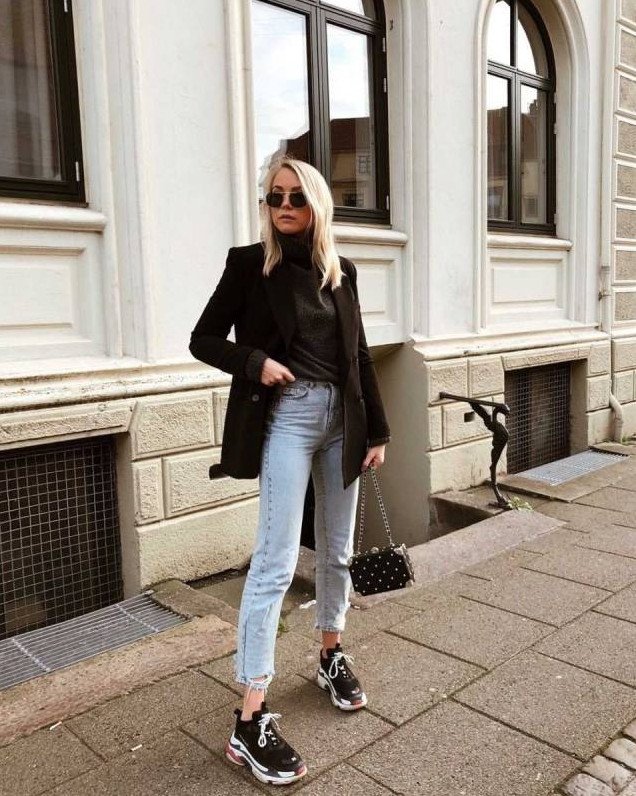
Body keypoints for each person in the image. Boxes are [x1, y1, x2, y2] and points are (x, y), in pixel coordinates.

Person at [189, 155, 390, 786]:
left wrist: (378, 430)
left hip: (343, 423)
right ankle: (249, 718)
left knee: (337, 551)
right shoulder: (250, 265)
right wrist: (255, 363)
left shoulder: (341, 270)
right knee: (275, 564)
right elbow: (203, 339)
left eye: (296, 197)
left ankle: (330, 653)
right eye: (274, 196)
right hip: (289, 418)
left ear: (317, 204)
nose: (282, 206)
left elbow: (359, 354)